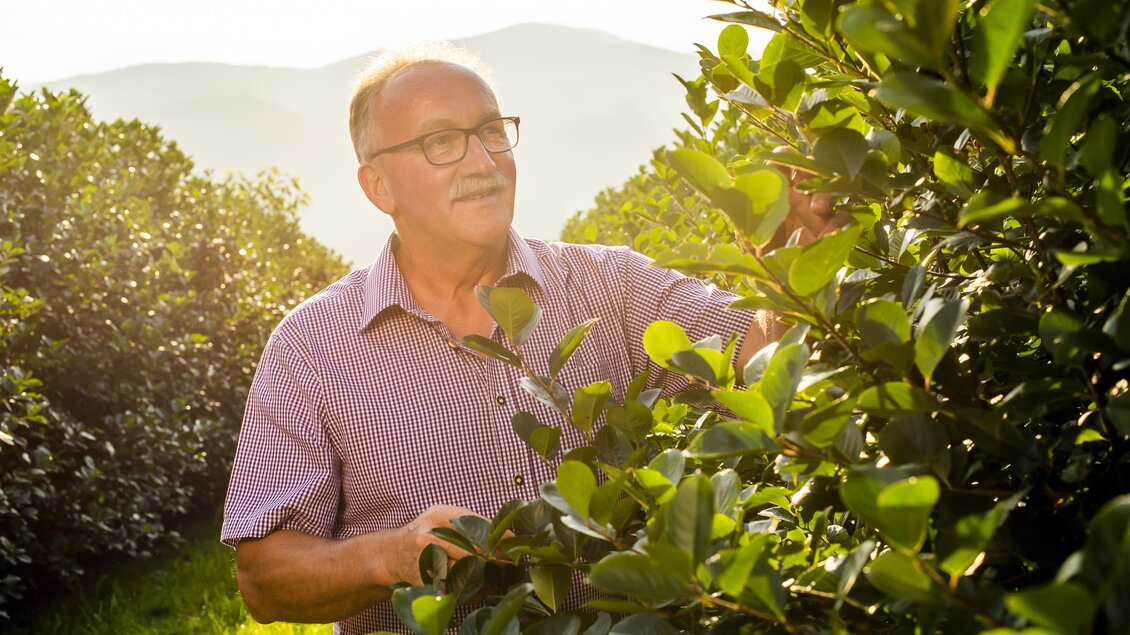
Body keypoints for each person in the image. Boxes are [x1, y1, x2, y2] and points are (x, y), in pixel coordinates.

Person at [221, 43, 835, 634]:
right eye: (441, 142)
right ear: (378, 187)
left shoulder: (611, 285)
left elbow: (759, 361)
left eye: (492, 131)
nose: (484, 162)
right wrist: (394, 555)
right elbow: (264, 579)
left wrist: (808, 264)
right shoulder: (310, 347)